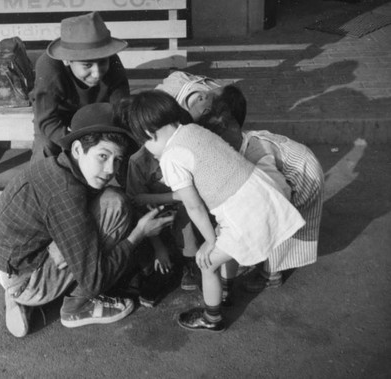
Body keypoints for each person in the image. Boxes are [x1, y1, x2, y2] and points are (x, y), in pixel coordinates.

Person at [0, 103, 174, 338]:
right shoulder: (64, 192)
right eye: (103, 156)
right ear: (77, 149)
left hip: (13, 263)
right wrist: (139, 234)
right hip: (26, 279)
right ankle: (77, 306)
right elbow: (95, 279)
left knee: (110, 202)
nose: (110, 169)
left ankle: (21, 296)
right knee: (115, 205)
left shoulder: (58, 165)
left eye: (117, 160)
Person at [126, 90, 305, 332]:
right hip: (260, 196)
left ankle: (211, 318)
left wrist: (209, 242)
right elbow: (193, 192)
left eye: (145, 142)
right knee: (225, 244)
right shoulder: (194, 131)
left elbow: (194, 205)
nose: (148, 150)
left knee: (207, 262)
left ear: (149, 133)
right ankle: (227, 290)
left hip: (241, 212)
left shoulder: (171, 158)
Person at [198, 84, 324, 293]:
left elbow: (277, 198)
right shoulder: (242, 139)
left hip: (304, 178)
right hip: (297, 167)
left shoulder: (257, 156)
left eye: (216, 138)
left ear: (227, 126)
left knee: (274, 220)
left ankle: (271, 275)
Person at [113, 98, 201, 305]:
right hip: (158, 216)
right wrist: (158, 248)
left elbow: (192, 196)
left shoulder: (188, 149)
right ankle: (156, 265)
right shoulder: (139, 160)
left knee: (187, 213)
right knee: (136, 220)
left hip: (188, 210)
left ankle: (190, 260)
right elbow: (139, 203)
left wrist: (156, 197)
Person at [30, 11, 130, 162]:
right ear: (66, 60)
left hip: (96, 114)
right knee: (45, 147)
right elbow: (47, 120)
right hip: (59, 116)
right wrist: (75, 143)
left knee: (122, 146)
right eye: (87, 65)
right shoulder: (49, 67)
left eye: (102, 62)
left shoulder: (113, 63)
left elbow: (121, 112)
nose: (97, 73)